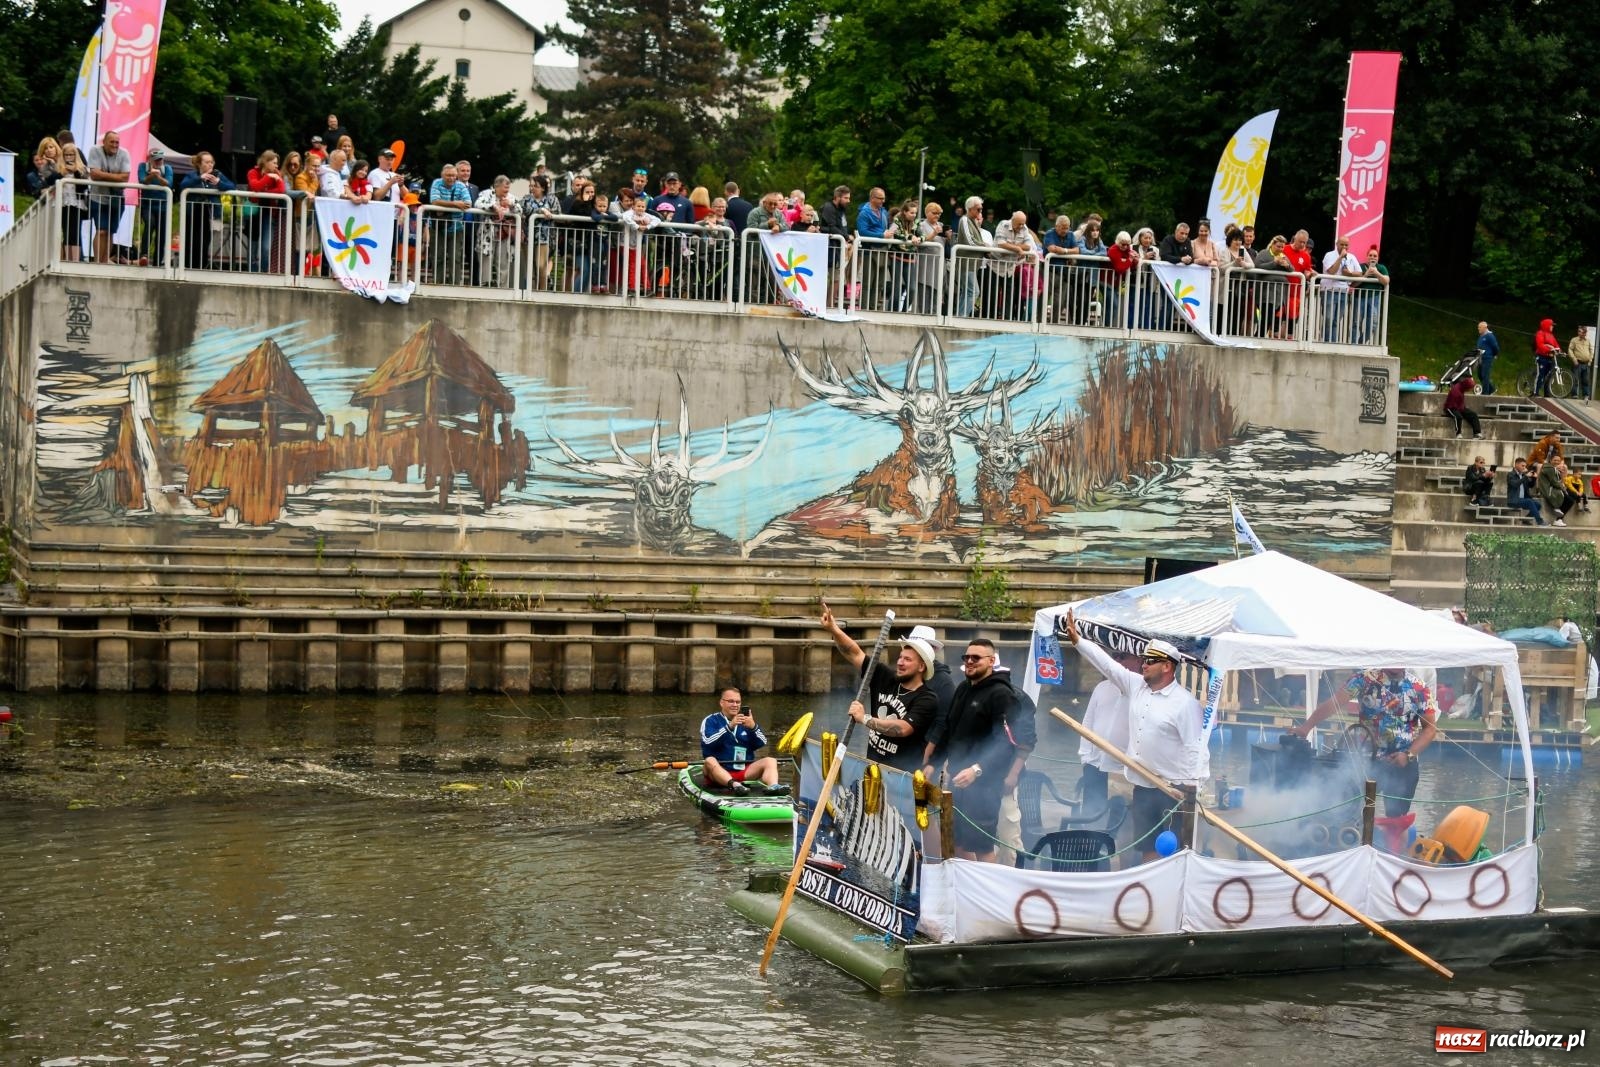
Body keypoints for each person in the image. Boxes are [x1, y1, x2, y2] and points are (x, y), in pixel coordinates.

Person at [1062, 611, 1207, 863]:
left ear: (1167, 666)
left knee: (1173, 850)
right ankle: (1148, 885)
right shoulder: (1136, 686)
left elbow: (1196, 748)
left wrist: (1192, 788)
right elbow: (1107, 665)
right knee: (1147, 848)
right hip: (1142, 784)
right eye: (1145, 660)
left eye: (1151, 661)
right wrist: (1078, 641)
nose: (1144, 664)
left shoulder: (1185, 704)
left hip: (1173, 790)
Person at [1286, 667, 1438, 820]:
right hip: (1366, 761)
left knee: (1397, 819)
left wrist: (1408, 754)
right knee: (1350, 811)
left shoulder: (1419, 687)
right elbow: (1333, 704)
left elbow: (1430, 729)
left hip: (1403, 764)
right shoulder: (1364, 679)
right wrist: (1305, 728)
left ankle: (1393, 834)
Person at [923, 639, 1018, 862]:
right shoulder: (963, 689)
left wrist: (976, 770)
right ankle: (964, 882)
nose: (970, 661)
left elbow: (1006, 744)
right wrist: (934, 763)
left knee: (981, 844)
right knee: (955, 839)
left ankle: (987, 885)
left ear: (991, 661)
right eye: (966, 657)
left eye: (976, 658)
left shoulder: (1002, 695)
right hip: (957, 778)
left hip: (985, 783)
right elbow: (948, 729)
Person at [819, 606, 937, 773]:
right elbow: (854, 653)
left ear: (921, 667)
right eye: (900, 657)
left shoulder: (927, 699)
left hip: (900, 777)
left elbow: (902, 729)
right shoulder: (884, 676)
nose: (900, 662)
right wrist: (834, 629)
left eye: (907, 659)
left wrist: (865, 719)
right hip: (872, 770)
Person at [1079, 650, 1139, 820]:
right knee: (1091, 816)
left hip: (1122, 769)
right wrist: (1085, 757)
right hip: (1094, 763)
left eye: (1123, 657)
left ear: (1138, 660)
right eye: (1115, 657)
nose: (1117, 660)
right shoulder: (1101, 687)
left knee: (1117, 818)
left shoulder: (1142, 691)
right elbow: (1087, 723)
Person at [698, 687, 785, 796]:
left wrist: (753, 727)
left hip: (743, 771)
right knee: (709, 760)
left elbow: (762, 742)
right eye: (731, 701)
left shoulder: (747, 721)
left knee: (770, 761)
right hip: (718, 772)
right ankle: (735, 786)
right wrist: (729, 727)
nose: (735, 705)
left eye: (738, 702)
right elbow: (708, 742)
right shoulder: (711, 720)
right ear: (721, 703)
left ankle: (773, 786)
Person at [177, 152, 235, 270]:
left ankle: (201, 265)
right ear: (199, 164)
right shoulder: (192, 175)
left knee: (205, 239)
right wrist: (200, 178)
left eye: (212, 162)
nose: (210, 165)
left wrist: (219, 183)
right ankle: (187, 265)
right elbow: (183, 185)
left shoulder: (218, 174)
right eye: (207, 162)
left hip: (210, 211)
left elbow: (232, 186)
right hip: (193, 210)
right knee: (191, 239)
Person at [85, 129, 131, 264]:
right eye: (112, 142)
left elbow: (125, 177)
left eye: (117, 142)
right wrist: (116, 177)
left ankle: (105, 261)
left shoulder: (124, 153)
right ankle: (97, 261)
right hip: (98, 198)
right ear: (104, 142)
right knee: (101, 230)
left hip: (116, 199)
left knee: (110, 231)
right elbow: (94, 175)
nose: (115, 145)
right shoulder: (95, 150)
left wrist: (103, 175)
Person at [1505, 457, 1546, 525]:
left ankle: (1526, 519)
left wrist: (1534, 478)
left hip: (1523, 499)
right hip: (1514, 500)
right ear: (1516, 465)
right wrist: (1526, 476)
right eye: (1522, 466)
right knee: (1529, 502)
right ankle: (1540, 521)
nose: (1524, 467)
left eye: (1525, 466)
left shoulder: (1523, 475)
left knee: (1538, 505)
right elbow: (1515, 484)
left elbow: (1530, 485)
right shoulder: (1511, 474)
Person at [1536, 459, 1574, 527]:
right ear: (1550, 460)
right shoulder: (1549, 469)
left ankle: (1559, 518)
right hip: (1549, 490)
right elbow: (1555, 483)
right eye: (1555, 460)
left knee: (1573, 496)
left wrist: (1562, 474)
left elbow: (1561, 482)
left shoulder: (1555, 469)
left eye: (1558, 461)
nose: (1556, 462)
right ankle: (1558, 514)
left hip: (1554, 488)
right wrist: (1563, 489)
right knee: (1569, 500)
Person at [1533, 317, 1561, 398]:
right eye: (1551, 325)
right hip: (1541, 357)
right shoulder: (1540, 333)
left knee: (1548, 375)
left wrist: (1559, 351)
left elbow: (1556, 345)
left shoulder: (1551, 335)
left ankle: (1547, 393)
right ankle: (1535, 392)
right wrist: (1549, 350)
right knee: (1540, 374)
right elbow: (1540, 345)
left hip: (1549, 358)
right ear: (1547, 325)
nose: (1552, 327)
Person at [1475, 321, 1502, 396]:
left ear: (1485, 327)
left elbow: (1495, 347)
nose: (1478, 328)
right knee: (1480, 375)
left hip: (1487, 358)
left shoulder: (1490, 336)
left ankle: (1485, 393)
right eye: (1478, 327)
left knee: (1485, 375)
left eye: (1479, 327)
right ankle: (1492, 389)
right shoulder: (1481, 336)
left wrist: (1495, 354)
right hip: (1480, 358)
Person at [1570, 325, 1594, 401]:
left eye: (1580, 331)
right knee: (1575, 379)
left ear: (1584, 333)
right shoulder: (1574, 340)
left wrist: (1590, 361)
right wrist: (1574, 359)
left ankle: (1586, 395)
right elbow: (1570, 349)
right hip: (1577, 363)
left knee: (1586, 380)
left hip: (1586, 364)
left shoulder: (1588, 341)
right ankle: (1574, 394)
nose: (1579, 333)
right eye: (1578, 331)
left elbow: (1591, 351)